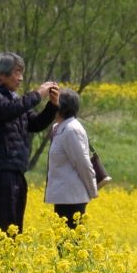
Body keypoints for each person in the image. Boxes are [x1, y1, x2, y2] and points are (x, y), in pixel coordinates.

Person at [0, 52, 59, 235]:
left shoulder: (13, 99)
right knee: (5, 226)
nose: (21, 78)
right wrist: (37, 94)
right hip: (0, 170)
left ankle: (11, 261)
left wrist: (52, 105)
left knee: (15, 227)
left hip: (16, 169)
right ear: (2, 75)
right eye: (17, 72)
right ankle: (5, 262)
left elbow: (35, 124)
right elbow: (8, 111)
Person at [42, 89, 100, 226]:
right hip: (63, 196)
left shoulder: (71, 130)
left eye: (54, 103)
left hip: (72, 197)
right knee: (63, 243)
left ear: (61, 107)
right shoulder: (60, 128)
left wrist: (92, 190)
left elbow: (82, 163)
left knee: (71, 243)